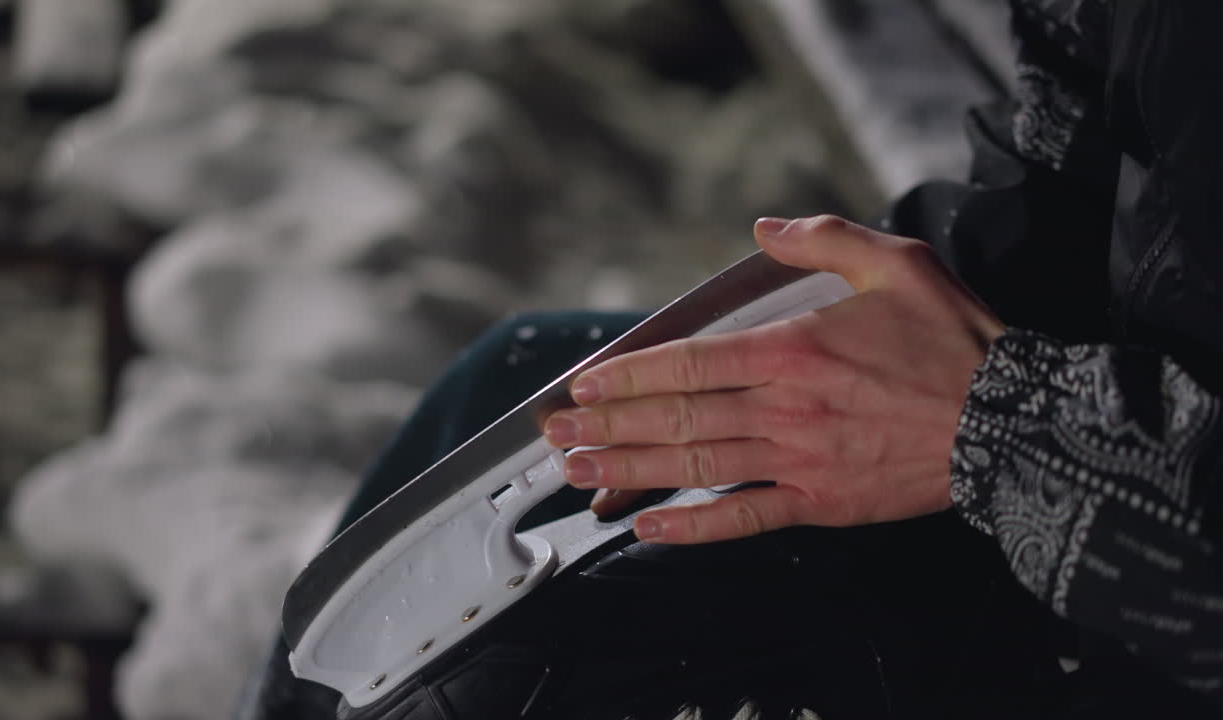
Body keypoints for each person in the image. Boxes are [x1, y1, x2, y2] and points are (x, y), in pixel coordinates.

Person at [239, 1, 1221, 718]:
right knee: (520, 379)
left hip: (1142, 572)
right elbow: (1071, 161)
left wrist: (1013, 432)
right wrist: (857, 325)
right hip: (1075, 435)